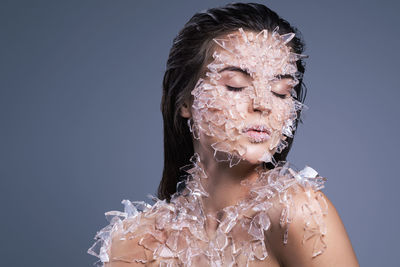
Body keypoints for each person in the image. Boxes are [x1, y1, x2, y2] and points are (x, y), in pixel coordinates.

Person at [89, 3, 359, 266]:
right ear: (185, 102)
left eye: (280, 91)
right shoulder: (136, 241)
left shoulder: (298, 214)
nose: (262, 103)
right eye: (236, 86)